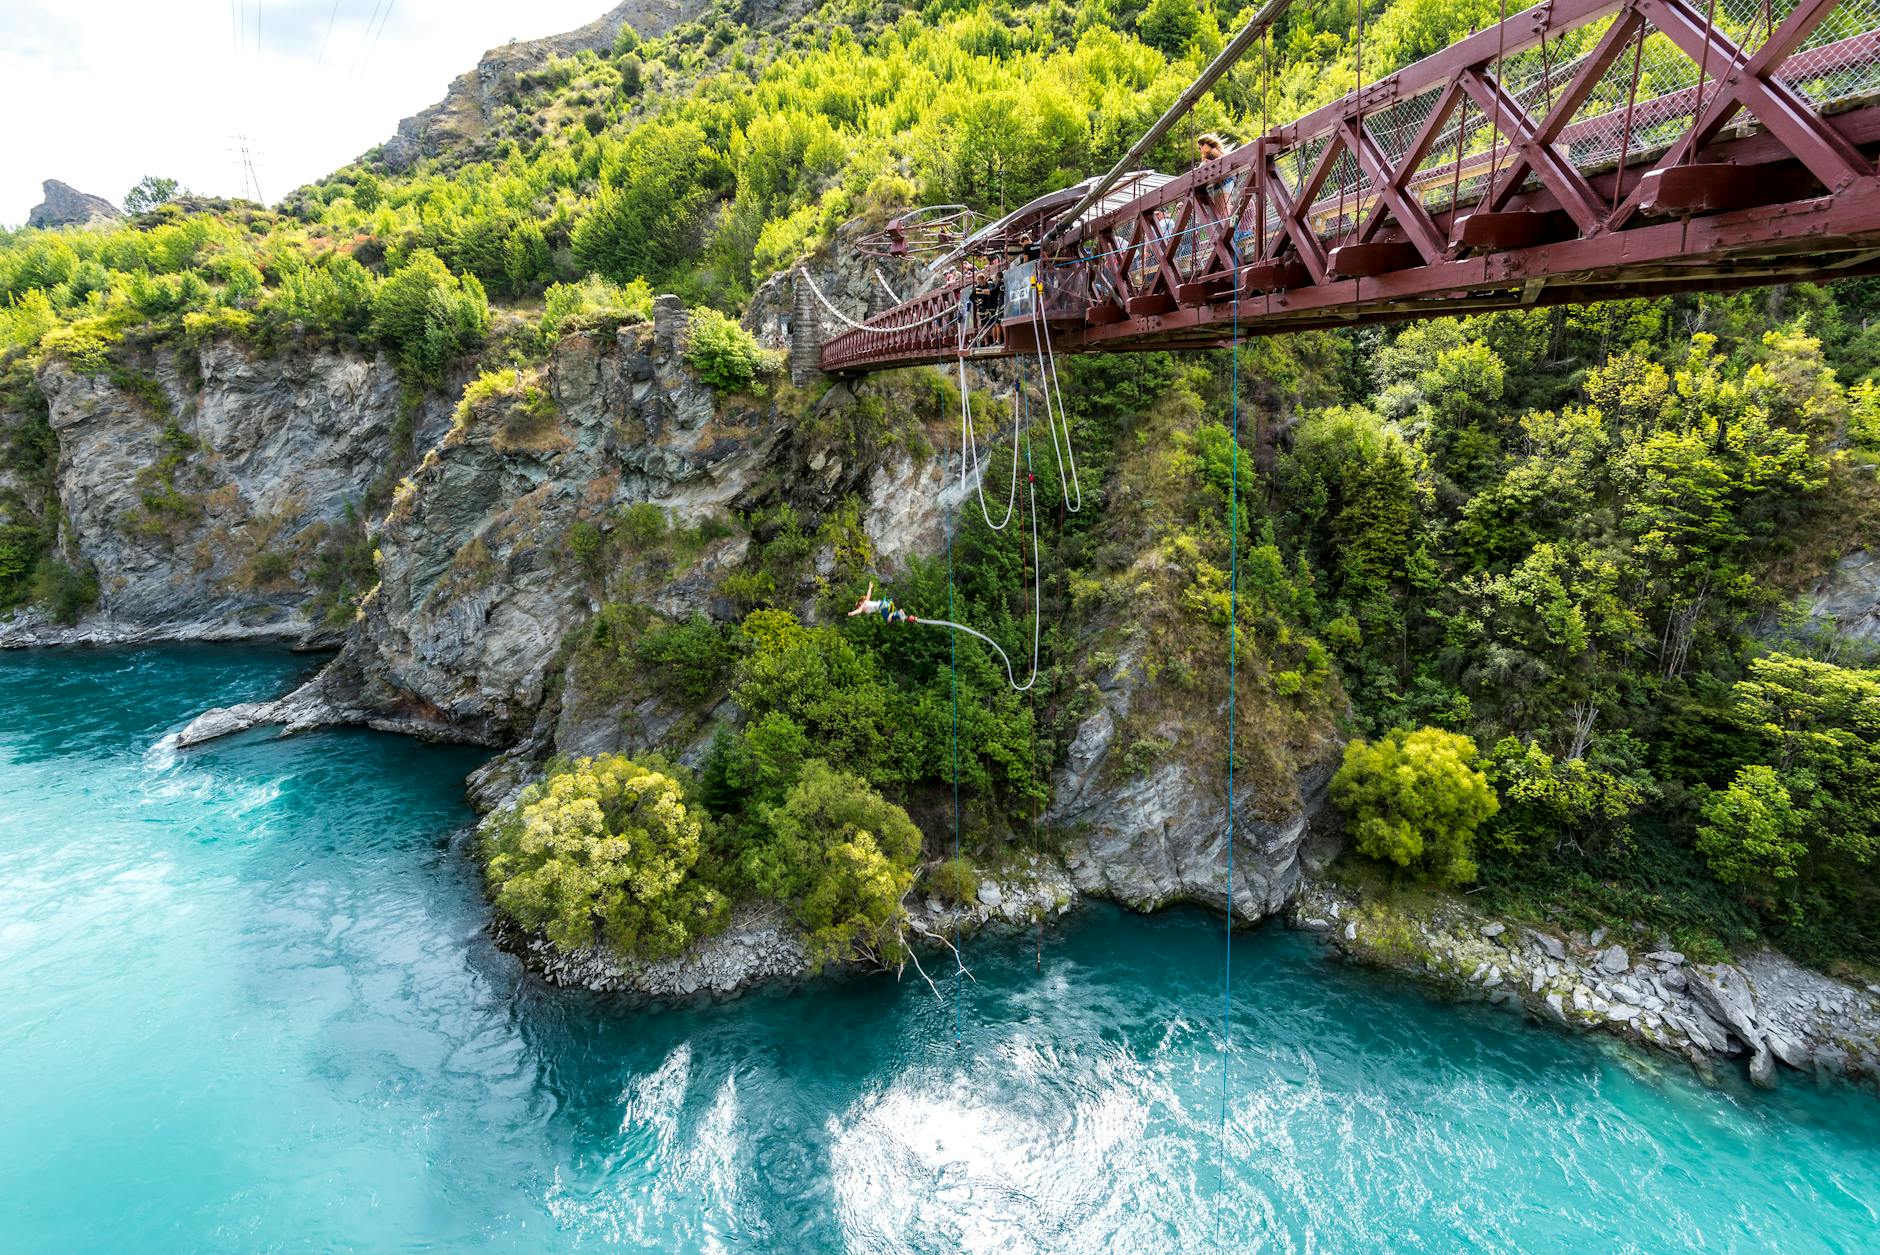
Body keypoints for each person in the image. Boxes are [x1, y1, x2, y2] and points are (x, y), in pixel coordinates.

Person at [849, 581, 916, 625]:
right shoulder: (866, 601)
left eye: (858, 605)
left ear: (860, 603)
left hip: (883, 606)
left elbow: (858, 611)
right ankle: (906, 617)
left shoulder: (862, 607)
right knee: (890, 619)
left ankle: (899, 613)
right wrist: (870, 587)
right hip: (888, 604)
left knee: (888, 619)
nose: (858, 607)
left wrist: (852, 613)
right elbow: (868, 594)